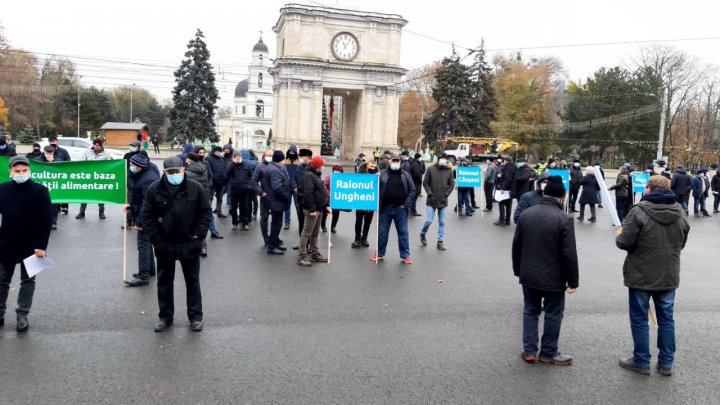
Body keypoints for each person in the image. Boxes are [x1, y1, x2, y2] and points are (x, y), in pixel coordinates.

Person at [615, 175, 690, 376]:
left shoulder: (639, 211)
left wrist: (619, 234)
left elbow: (625, 242)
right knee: (667, 319)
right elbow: (682, 242)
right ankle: (666, 363)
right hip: (668, 274)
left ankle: (641, 360)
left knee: (639, 318)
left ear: (649, 189)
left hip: (641, 273)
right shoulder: (680, 211)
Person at [140, 156, 212, 332]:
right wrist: (157, 240)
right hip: (165, 244)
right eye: (170, 172)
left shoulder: (195, 188)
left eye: (177, 172)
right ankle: (165, 317)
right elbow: (147, 216)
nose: (174, 175)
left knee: (192, 281)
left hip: (189, 242)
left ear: (183, 170)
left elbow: (206, 213)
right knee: (164, 282)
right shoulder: (154, 189)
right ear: (164, 172)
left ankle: (195, 317)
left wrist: (199, 235)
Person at [512, 175, 578, 366]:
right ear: (563, 197)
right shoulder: (563, 218)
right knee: (553, 313)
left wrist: (518, 270)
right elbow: (569, 254)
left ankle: (529, 350)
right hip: (554, 277)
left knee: (530, 311)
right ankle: (549, 352)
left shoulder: (527, 214)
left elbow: (517, 246)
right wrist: (573, 281)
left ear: (544, 193)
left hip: (528, 273)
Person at [0, 156, 53, 332]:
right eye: (17, 171)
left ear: (29, 170)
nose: (21, 174)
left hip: (31, 246)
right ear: (10, 171)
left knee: (27, 281)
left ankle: (22, 315)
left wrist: (41, 245)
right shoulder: (3, 189)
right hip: (6, 242)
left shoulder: (39, 190)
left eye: (24, 171)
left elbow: (45, 220)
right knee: (2, 280)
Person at [372, 153, 415, 264]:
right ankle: (379, 253)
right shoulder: (381, 174)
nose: (395, 163)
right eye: (393, 161)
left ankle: (406, 255)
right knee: (382, 233)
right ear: (389, 162)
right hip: (385, 209)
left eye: (397, 161)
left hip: (400, 209)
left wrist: (405, 204)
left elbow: (412, 190)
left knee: (403, 233)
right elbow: (372, 185)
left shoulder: (406, 175)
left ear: (400, 163)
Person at [125, 154, 160, 286]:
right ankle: (150, 270)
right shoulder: (144, 174)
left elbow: (147, 204)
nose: (131, 167)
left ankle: (143, 276)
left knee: (143, 245)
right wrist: (131, 207)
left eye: (133, 165)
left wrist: (139, 222)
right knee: (147, 243)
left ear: (140, 166)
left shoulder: (147, 180)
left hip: (147, 217)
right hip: (146, 215)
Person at [297, 156, 330, 267]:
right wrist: (312, 209)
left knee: (315, 233)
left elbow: (319, 193)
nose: (323, 166)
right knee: (306, 233)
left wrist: (325, 206)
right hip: (312, 210)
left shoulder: (315, 174)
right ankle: (301, 257)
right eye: (321, 164)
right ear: (317, 166)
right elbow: (308, 194)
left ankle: (315, 254)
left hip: (318, 208)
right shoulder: (309, 176)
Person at [420, 152, 454, 250]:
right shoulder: (431, 169)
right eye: (441, 158)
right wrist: (429, 192)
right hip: (431, 199)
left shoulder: (449, 170)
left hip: (443, 200)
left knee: (442, 222)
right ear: (438, 159)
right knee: (428, 221)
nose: (443, 160)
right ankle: (422, 233)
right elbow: (425, 182)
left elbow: (452, 184)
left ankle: (440, 241)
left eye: (444, 158)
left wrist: (446, 194)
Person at [262, 150, 292, 255]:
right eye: (282, 159)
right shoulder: (274, 170)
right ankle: (271, 247)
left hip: (274, 200)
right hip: (276, 201)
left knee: (276, 223)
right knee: (276, 224)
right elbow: (277, 188)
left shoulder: (272, 167)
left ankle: (275, 243)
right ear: (279, 160)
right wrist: (286, 196)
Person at [185, 152, 213, 257]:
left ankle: (193, 247)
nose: (186, 160)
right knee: (201, 223)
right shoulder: (202, 168)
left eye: (187, 159)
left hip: (192, 201)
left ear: (190, 160)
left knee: (192, 224)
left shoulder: (188, 172)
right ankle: (203, 247)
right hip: (204, 198)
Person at [77, 138, 111, 220]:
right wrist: (86, 160)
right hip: (88, 176)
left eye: (98, 146)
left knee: (100, 195)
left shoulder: (106, 153)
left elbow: (110, 164)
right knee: (85, 195)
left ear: (101, 146)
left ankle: (101, 212)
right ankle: (82, 212)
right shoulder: (87, 151)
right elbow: (80, 161)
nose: (96, 147)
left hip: (100, 177)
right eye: (95, 145)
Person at [352, 160, 379, 248]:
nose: (372, 167)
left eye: (374, 166)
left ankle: (364, 238)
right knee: (359, 221)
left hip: (370, 202)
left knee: (368, 222)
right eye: (371, 166)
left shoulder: (377, 176)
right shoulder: (360, 175)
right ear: (366, 166)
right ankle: (357, 238)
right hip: (361, 202)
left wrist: (377, 176)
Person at [226, 150, 254, 231]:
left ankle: (245, 223)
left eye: (240, 157)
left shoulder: (246, 164)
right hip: (234, 190)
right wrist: (232, 163)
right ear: (234, 157)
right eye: (237, 157)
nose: (238, 158)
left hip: (244, 190)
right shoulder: (231, 165)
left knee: (244, 207)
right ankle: (235, 223)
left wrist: (247, 184)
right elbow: (226, 173)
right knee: (234, 207)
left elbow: (251, 175)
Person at [252, 150, 275, 246]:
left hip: (276, 196)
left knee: (276, 218)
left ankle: (274, 237)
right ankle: (266, 238)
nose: (269, 157)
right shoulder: (260, 166)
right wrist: (260, 192)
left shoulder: (276, 165)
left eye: (271, 155)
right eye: (268, 155)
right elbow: (253, 181)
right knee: (264, 217)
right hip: (265, 196)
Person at [37, 145, 63, 230]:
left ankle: (53, 222)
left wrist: (52, 162)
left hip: (53, 186)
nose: (49, 154)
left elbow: (62, 171)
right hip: (41, 186)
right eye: (47, 152)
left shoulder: (58, 160)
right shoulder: (37, 160)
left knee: (53, 205)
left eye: (50, 152)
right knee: (40, 205)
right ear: (44, 152)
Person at [292, 149, 312, 250]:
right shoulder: (299, 167)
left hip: (308, 199)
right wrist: (295, 187)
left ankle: (309, 245)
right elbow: (294, 178)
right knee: (301, 222)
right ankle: (302, 243)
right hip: (300, 198)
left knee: (308, 224)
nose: (301, 158)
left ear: (307, 157)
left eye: (302, 157)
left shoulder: (312, 168)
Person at [47, 135, 71, 215]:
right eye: (51, 142)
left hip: (62, 174)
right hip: (51, 175)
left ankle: (65, 206)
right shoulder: (46, 150)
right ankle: (56, 206)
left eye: (54, 141)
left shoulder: (63, 151)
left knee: (63, 190)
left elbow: (68, 161)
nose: (52, 143)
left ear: (57, 142)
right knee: (54, 190)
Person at [205, 146, 228, 218]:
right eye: (217, 151)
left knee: (220, 198)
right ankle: (208, 213)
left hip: (220, 182)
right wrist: (212, 179)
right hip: (212, 182)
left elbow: (223, 168)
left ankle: (219, 211)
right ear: (214, 151)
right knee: (210, 198)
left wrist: (224, 176)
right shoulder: (208, 158)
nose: (219, 153)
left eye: (220, 152)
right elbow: (208, 171)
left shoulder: (221, 159)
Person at [494, 156, 517, 226]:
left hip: (506, 190)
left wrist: (502, 188)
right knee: (508, 205)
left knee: (501, 204)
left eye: (504, 161)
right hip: (511, 189)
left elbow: (508, 179)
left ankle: (501, 220)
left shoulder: (509, 168)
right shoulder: (513, 167)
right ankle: (507, 220)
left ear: (506, 161)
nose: (503, 162)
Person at [321, 164, 344, 233]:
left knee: (336, 214)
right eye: (336, 171)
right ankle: (323, 226)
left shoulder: (342, 179)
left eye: (339, 171)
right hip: (328, 199)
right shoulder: (328, 177)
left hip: (337, 200)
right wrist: (329, 194)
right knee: (325, 214)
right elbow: (324, 187)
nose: (338, 172)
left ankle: (333, 227)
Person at [284, 145, 301, 230]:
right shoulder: (285, 162)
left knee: (298, 206)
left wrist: (298, 186)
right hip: (287, 187)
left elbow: (300, 176)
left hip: (296, 187)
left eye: (293, 152)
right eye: (290, 152)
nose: (292, 154)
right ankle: (287, 222)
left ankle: (300, 222)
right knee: (287, 205)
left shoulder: (299, 163)